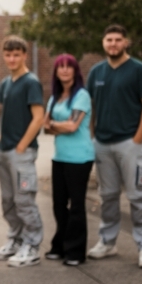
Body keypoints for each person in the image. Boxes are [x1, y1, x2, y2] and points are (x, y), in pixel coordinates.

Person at [86, 25, 142, 269]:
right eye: (109, 40)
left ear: (126, 42)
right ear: (103, 42)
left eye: (118, 40)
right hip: (103, 144)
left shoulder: (139, 70)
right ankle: (107, 241)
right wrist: (93, 136)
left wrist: (138, 139)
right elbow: (91, 106)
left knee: (139, 196)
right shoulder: (96, 72)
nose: (113, 44)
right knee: (107, 197)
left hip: (131, 143)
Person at [0, 35, 44, 267]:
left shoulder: (31, 82)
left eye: (16, 54)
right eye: (8, 54)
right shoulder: (6, 82)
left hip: (21, 153)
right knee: (8, 201)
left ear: (24, 55)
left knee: (24, 200)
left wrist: (22, 145)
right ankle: (16, 239)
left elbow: (38, 118)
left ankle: (32, 246)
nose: (12, 59)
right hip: (4, 150)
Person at [43, 54, 94, 266]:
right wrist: (57, 125)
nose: (64, 70)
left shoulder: (81, 95)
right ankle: (60, 245)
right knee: (58, 204)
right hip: (60, 157)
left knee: (76, 206)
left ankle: (75, 251)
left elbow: (73, 126)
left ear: (75, 71)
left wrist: (54, 124)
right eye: (60, 67)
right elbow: (45, 128)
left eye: (68, 67)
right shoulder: (55, 97)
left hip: (80, 158)